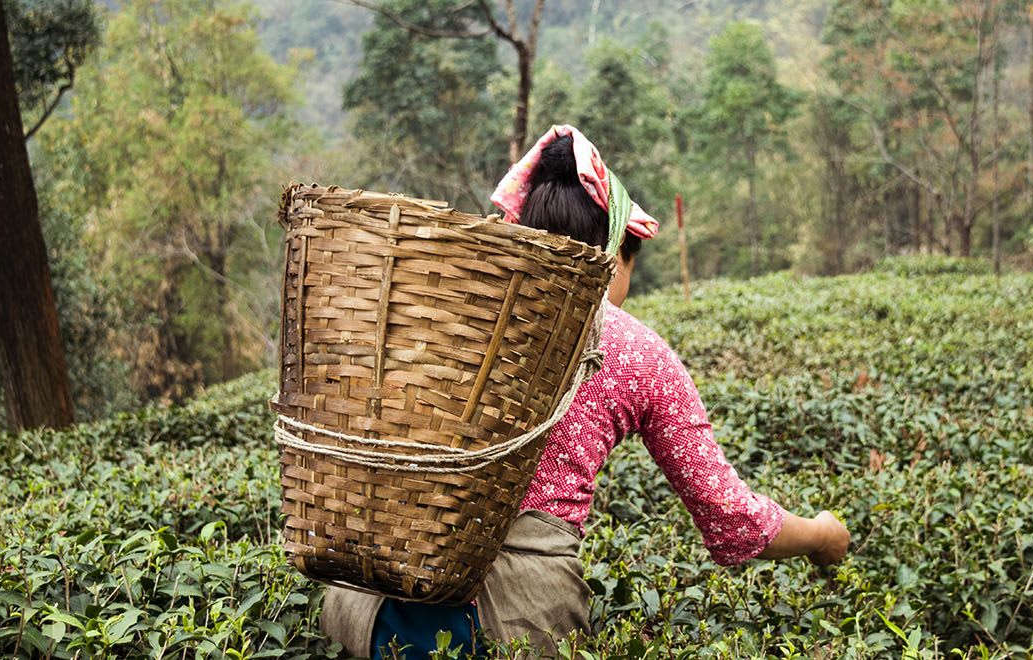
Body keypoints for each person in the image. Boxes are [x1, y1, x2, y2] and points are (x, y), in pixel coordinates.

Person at [321, 125, 850, 659]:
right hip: (511, 618)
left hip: (366, 603)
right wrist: (821, 536)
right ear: (615, 253)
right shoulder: (635, 351)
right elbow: (730, 518)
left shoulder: (449, 304)